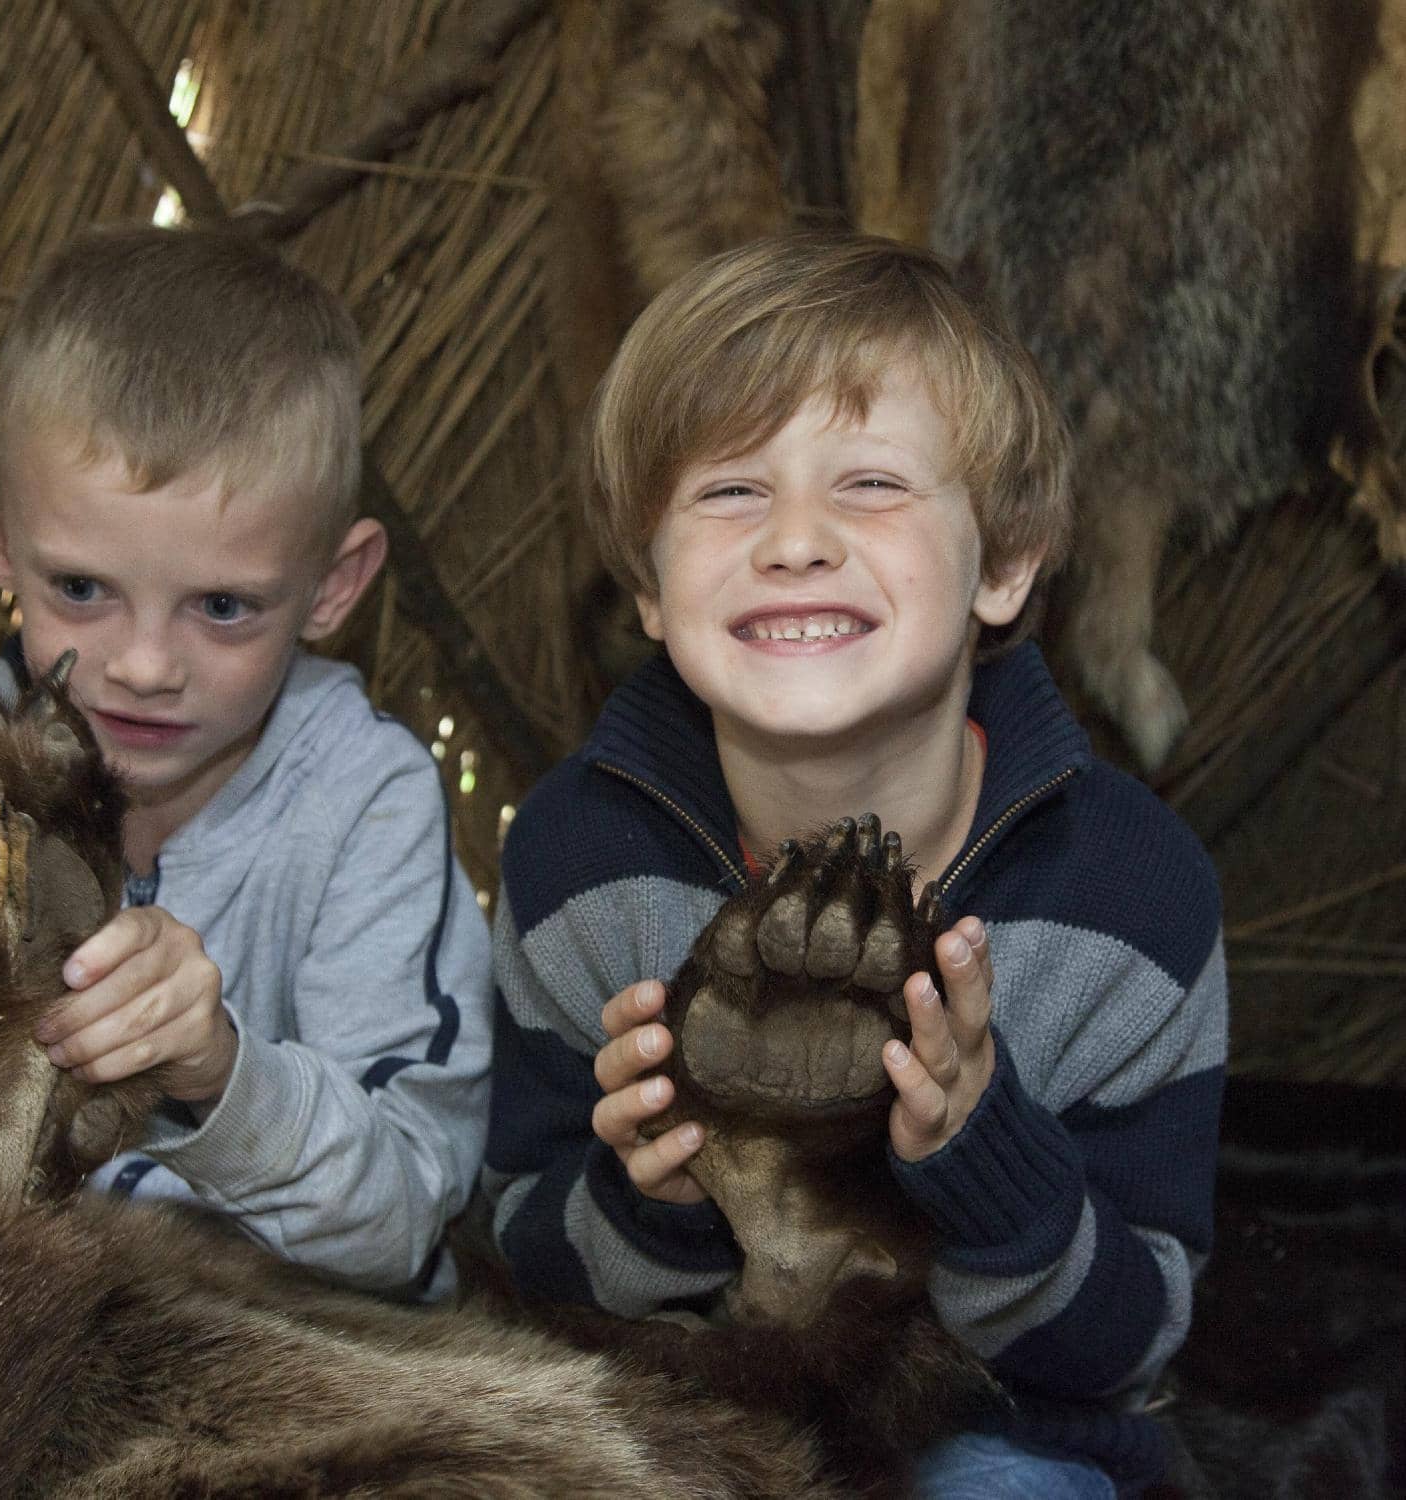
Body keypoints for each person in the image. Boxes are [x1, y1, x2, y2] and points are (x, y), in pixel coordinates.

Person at [483, 232, 1226, 1495]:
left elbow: (1125, 1345)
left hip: (990, 1436)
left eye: (871, 483)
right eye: (728, 491)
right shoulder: (579, 855)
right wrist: (652, 1183)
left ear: (1002, 563)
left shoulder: (1130, 898)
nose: (794, 540)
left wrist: (983, 1151)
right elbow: (518, 1257)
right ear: (650, 585)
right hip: (666, 1414)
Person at [0, 223, 493, 1298]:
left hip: (267, 1366)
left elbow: (405, 1222)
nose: (145, 667)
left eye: (225, 607)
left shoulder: (364, 800)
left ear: (335, 584)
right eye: (83, 591)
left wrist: (218, 1078)